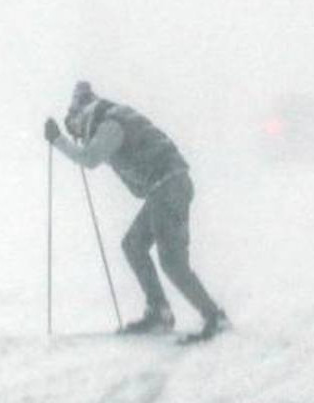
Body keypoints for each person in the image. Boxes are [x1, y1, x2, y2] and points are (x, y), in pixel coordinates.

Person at [44, 81, 228, 342]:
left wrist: (59, 141)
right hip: (167, 186)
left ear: (82, 113)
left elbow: (90, 158)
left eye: (76, 125)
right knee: (133, 244)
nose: (80, 134)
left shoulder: (109, 124)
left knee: (172, 261)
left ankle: (213, 317)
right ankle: (160, 312)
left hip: (168, 186)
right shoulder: (114, 116)